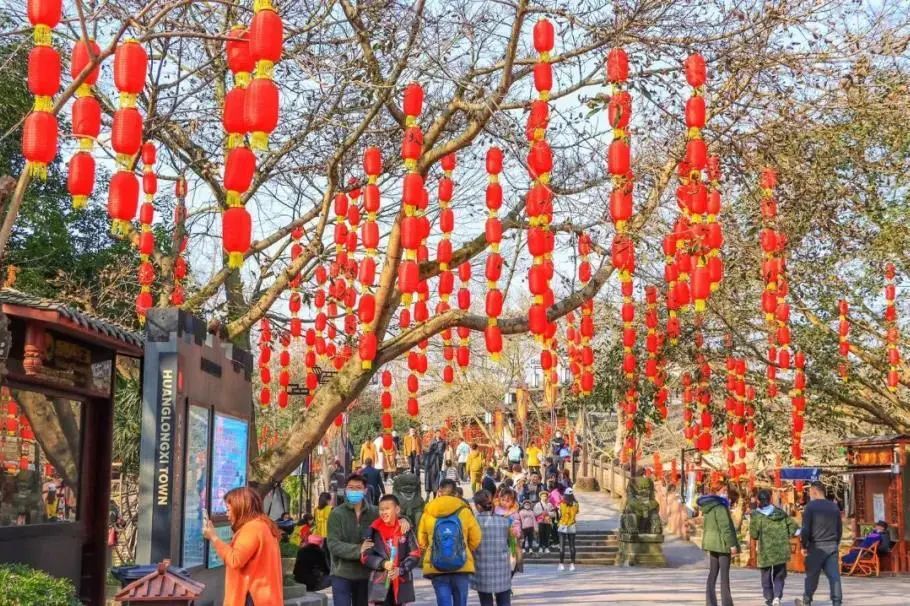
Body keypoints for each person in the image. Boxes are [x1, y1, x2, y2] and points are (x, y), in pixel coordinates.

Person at [202, 486, 283, 606]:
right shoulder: (263, 525)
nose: (227, 514)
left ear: (240, 508)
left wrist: (214, 538)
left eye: (229, 510)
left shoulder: (252, 528)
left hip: (251, 598)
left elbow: (235, 559)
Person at [418, 478, 482, 606]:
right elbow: (476, 538)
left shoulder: (428, 512)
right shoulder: (464, 511)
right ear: (455, 493)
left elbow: (421, 540)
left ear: (439, 491)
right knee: (460, 602)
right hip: (461, 564)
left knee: (443, 602)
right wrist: (464, 549)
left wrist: (433, 549)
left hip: (437, 565)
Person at [327, 473, 379, 606]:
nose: (354, 491)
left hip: (365, 573)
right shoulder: (336, 514)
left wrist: (403, 520)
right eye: (351, 487)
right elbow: (333, 544)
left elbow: (393, 515)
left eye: (358, 488)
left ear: (365, 490)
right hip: (341, 573)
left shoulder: (375, 512)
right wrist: (358, 549)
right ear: (346, 489)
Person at [361, 494, 421, 606]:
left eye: (387, 509)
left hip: (400, 582)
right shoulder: (373, 531)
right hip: (380, 582)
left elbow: (415, 554)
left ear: (397, 509)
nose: (384, 512)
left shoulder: (405, 529)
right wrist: (383, 563)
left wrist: (401, 569)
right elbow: (365, 556)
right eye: (381, 510)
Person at [795, 481, 843, 606]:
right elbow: (839, 529)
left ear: (815, 492)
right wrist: (836, 543)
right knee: (834, 576)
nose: (810, 495)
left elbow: (805, 529)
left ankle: (807, 600)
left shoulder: (810, 507)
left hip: (815, 546)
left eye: (810, 492)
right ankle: (837, 602)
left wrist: (804, 545)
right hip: (831, 546)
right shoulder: (834, 507)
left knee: (812, 576)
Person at [750, 489, 799, 606]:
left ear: (759, 501)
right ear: (770, 499)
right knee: (779, 575)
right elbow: (795, 529)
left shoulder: (756, 516)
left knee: (766, 576)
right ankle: (777, 597)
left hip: (766, 551)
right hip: (781, 550)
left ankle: (769, 598)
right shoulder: (781, 513)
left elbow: (754, 535)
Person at [698, 481, 739, 606]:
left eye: (726, 491)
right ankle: (727, 603)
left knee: (713, 573)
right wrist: (732, 544)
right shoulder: (720, 507)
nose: (726, 493)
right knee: (724, 576)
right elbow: (725, 527)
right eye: (724, 491)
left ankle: (710, 602)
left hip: (711, 543)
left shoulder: (709, 506)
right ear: (717, 491)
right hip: (722, 544)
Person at [471, 490, 514, 606]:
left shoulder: (473, 522)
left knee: (485, 602)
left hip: (482, 569)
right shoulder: (505, 521)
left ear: (478, 506)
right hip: (502, 569)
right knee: (504, 601)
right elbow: (512, 543)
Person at [557, 488, 579, 571]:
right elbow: (577, 512)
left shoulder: (562, 503)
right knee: (572, 546)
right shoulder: (576, 504)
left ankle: (561, 564)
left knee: (562, 546)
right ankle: (572, 564)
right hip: (572, 525)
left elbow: (561, 513)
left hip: (563, 525)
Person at [425, 431, 446, 496]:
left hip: (440, 459)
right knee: (434, 475)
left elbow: (444, 449)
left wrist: (441, 455)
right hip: (433, 460)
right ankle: (432, 490)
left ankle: (436, 490)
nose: (438, 434)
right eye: (437, 433)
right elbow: (429, 450)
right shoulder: (432, 441)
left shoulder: (443, 441)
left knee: (438, 474)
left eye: (439, 433)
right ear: (435, 434)